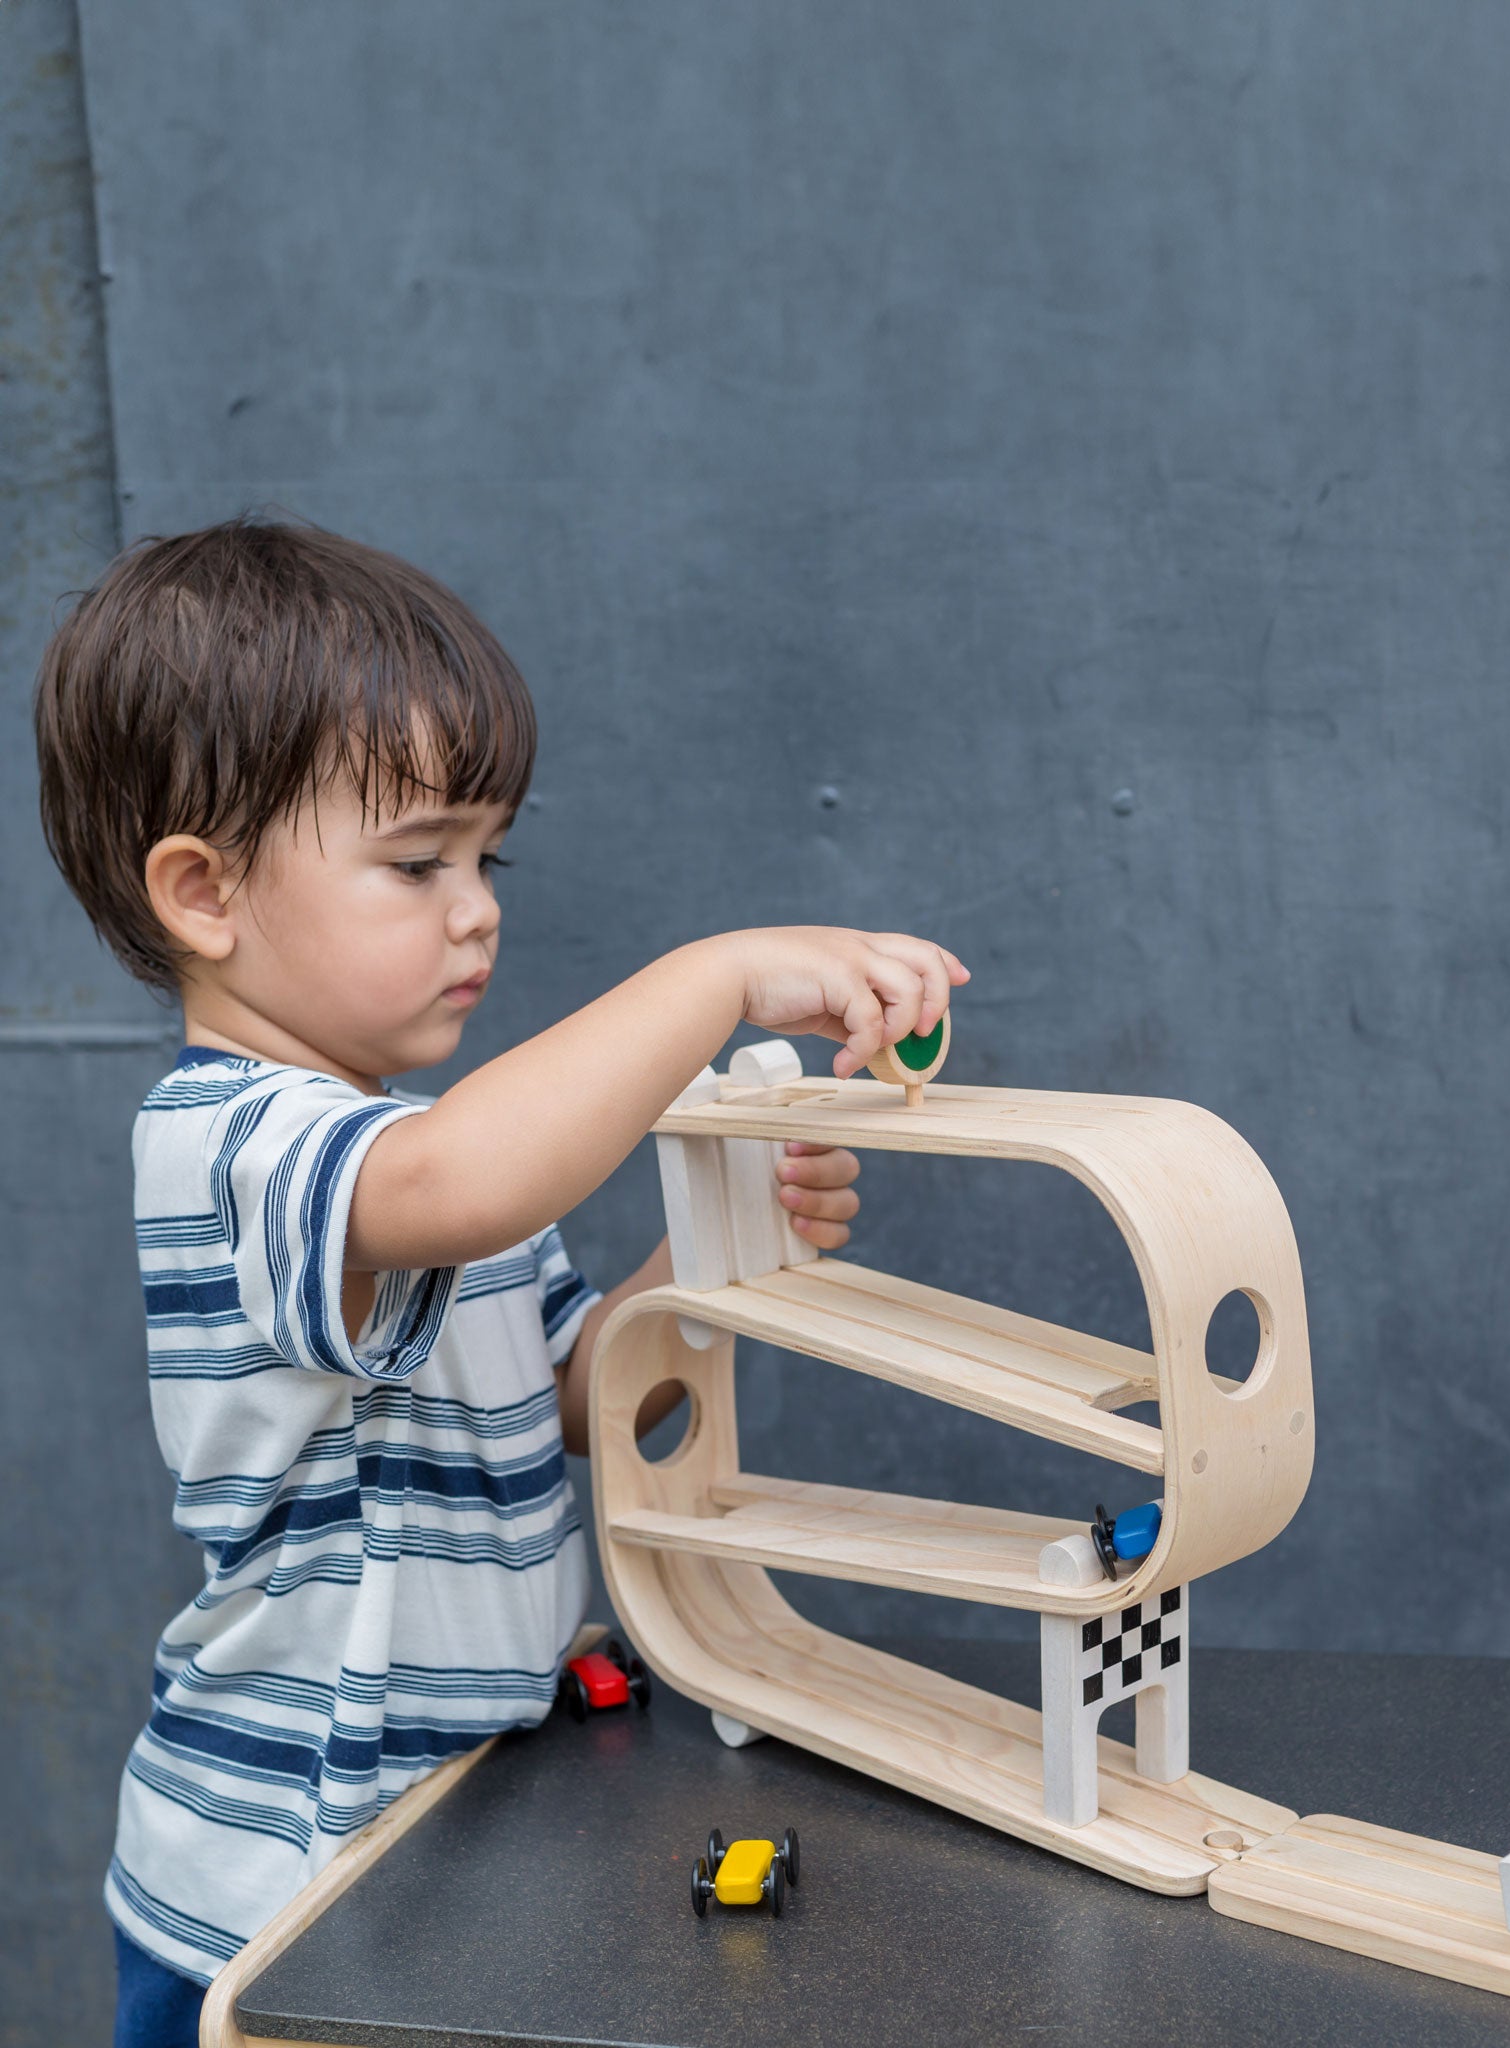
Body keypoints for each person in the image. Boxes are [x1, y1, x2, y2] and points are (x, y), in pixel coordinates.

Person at [33, 517, 968, 2047]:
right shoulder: (232, 1147)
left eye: (486, 857)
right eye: (415, 864)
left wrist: (725, 1251)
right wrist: (717, 975)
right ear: (204, 896)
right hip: (277, 1905)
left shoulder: (407, 1166)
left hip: (451, 1854)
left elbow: (575, 1397)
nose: (476, 908)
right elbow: (464, 1181)